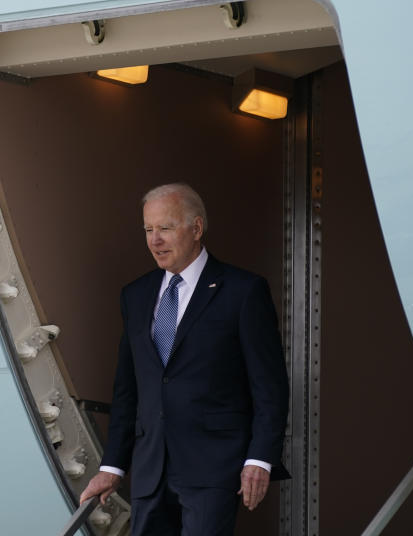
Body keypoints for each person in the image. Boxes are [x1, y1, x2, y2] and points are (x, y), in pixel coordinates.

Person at [80, 183, 289, 536]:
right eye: (148, 230)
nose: (154, 240)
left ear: (196, 228)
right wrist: (112, 467)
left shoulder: (242, 290)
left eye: (165, 228)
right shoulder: (136, 294)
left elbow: (269, 386)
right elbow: (129, 389)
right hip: (150, 470)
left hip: (213, 468)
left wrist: (259, 459)